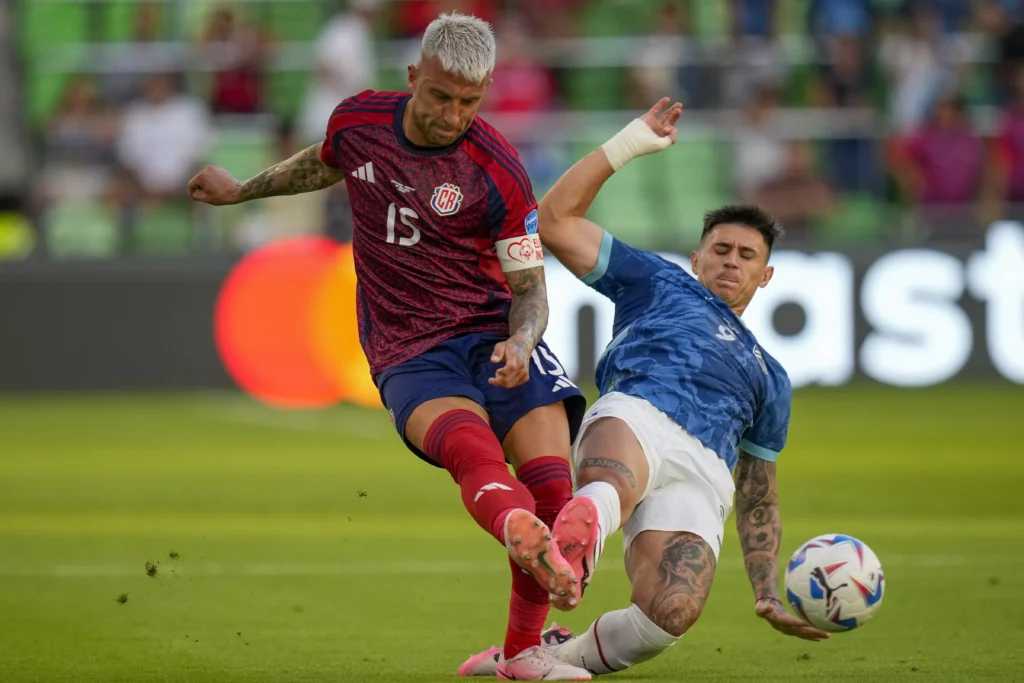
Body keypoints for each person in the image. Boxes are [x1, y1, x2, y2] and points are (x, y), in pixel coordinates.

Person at [188, 13, 593, 681]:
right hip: (410, 348)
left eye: (469, 101)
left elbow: (530, 287)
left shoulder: (498, 168)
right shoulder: (359, 123)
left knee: (553, 483)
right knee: (475, 454)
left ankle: (522, 651)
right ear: (413, 78)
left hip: (494, 334)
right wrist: (241, 191)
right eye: (439, 96)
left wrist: (524, 339)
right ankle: (518, 538)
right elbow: (316, 167)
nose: (451, 115)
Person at [459, 100, 831, 677]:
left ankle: (544, 652)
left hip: (705, 468)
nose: (731, 262)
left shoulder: (770, 375)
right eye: (721, 249)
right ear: (697, 255)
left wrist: (765, 590)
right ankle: (581, 534)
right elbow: (554, 220)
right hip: (640, 410)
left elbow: (758, 491)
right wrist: (627, 145)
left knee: (671, 614)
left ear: (766, 275)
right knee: (611, 480)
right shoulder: (658, 281)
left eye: (747, 255)